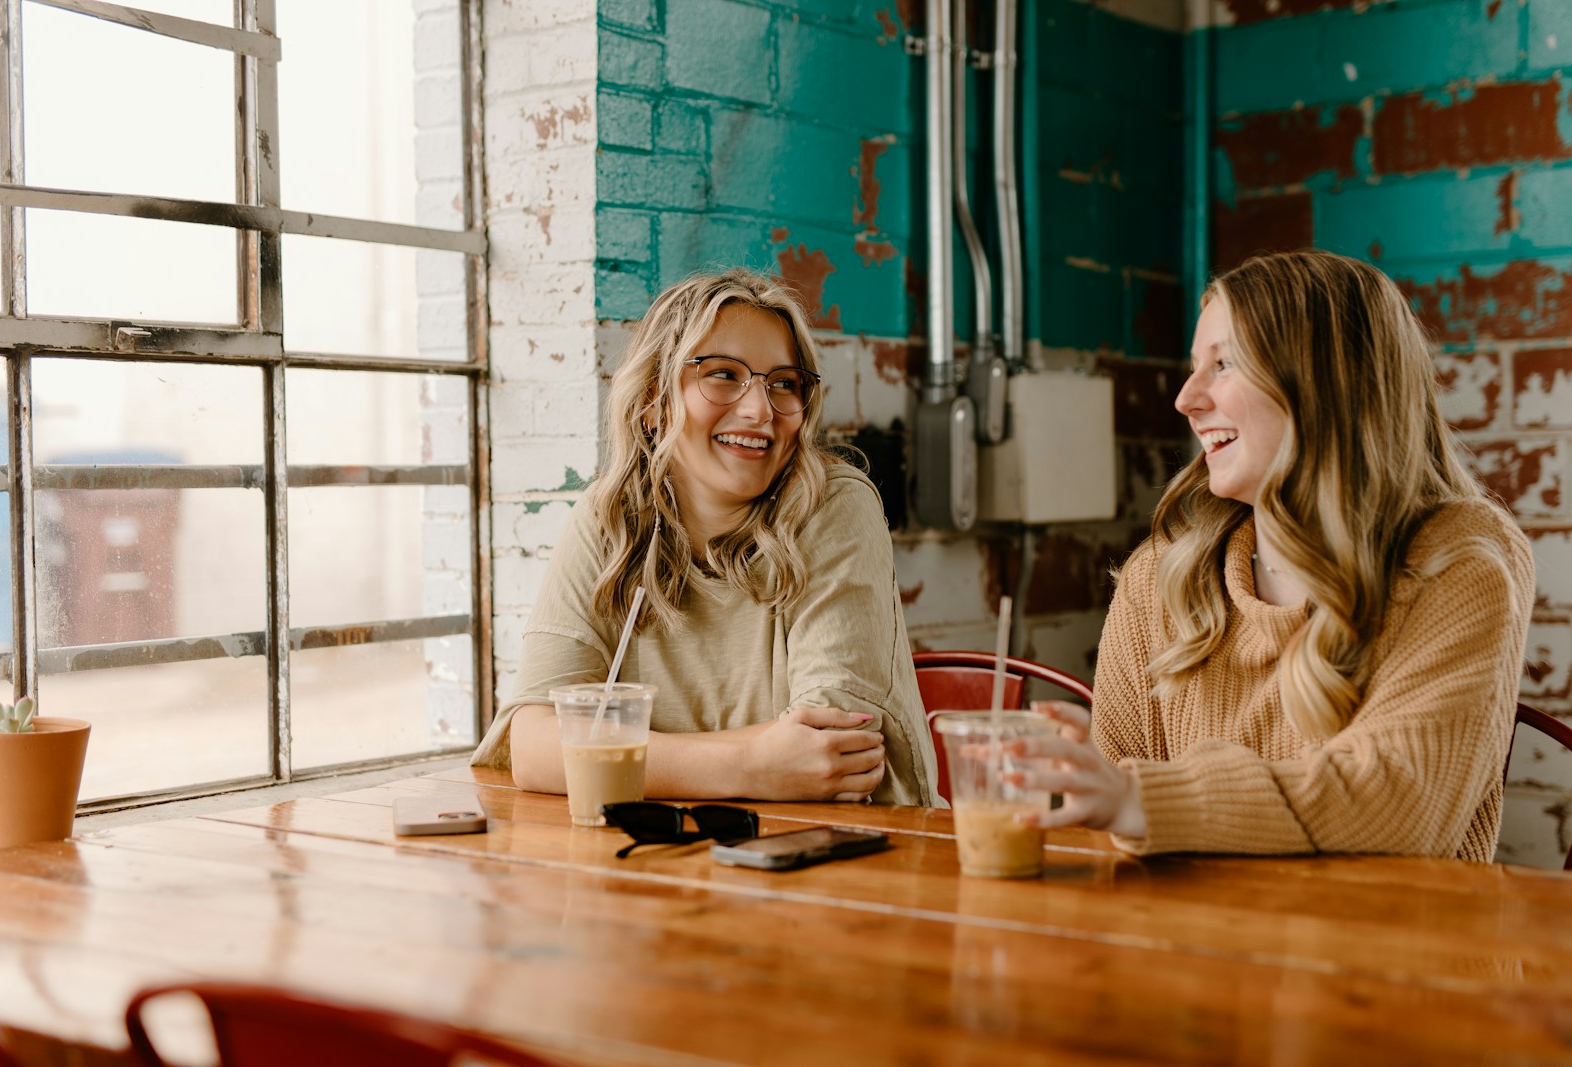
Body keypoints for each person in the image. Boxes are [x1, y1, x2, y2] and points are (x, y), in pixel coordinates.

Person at [1023, 250, 1534, 861]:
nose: (1186, 399)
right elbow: (1109, 830)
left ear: (1328, 382)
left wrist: (1141, 795)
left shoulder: (1462, 561)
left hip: (1393, 950)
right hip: (1197, 948)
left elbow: (1397, 804)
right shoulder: (1159, 578)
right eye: (1194, 368)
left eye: (1224, 365)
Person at [472, 268, 938, 806]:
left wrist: (618, 753)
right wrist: (750, 764)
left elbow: (829, 753)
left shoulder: (833, 504)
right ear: (653, 400)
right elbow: (532, 746)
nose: (760, 409)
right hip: (671, 861)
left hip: (859, 859)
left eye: (784, 383)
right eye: (722, 374)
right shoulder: (608, 520)